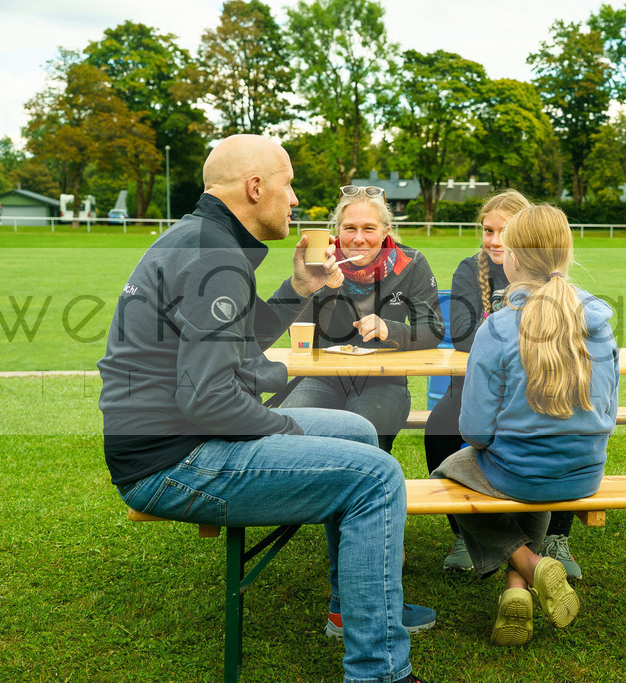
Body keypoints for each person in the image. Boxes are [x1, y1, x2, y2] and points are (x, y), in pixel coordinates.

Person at [97, 134, 431, 683]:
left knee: (356, 431)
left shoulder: (201, 238)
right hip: (173, 459)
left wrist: (297, 287)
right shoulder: (215, 255)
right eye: (288, 183)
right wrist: (286, 427)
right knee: (378, 477)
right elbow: (208, 399)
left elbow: (238, 344)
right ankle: (379, 673)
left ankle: (356, 609)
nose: (295, 199)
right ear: (255, 188)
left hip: (176, 439)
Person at [430, 204, 619, 647]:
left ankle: (529, 565)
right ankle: (517, 588)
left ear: (512, 259)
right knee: (533, 472)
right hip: (584, 473)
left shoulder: (498, 326)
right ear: (566, 256)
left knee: (449, 473)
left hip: (521, 474)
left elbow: (475, 432)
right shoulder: (601, 323)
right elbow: (608, 413)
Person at [425, 190, 585, 580]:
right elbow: (462, 336)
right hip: (477, 379)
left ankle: (554, 538)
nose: (496, 241)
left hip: (541, 380)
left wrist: (504, 333)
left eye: (505, 232)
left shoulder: (547, 276)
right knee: (440, 426)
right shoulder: (470, 269)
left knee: (554, 429)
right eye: (488, 230)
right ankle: (465, 532)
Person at [282, 185, 444, 453]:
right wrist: (327, 287)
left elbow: (433, 329)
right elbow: (303, 339)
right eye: (349, 228)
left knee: (363, 442)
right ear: (337, 232)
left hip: (384, 380)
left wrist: (389, 330)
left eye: (369, 228)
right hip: (320, 376)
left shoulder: (411, 263)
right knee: (288, 435)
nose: (359, 239)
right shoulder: (319, 264)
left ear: (385, 232)